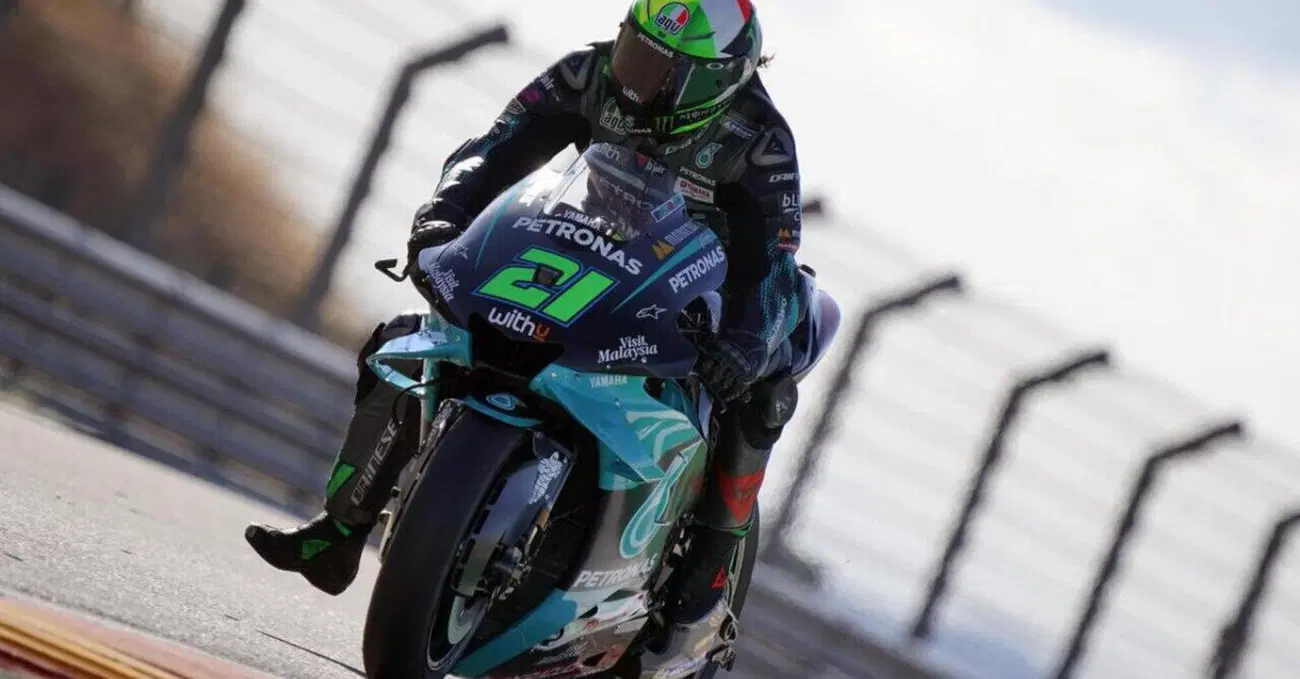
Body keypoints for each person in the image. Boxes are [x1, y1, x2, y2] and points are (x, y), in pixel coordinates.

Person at [246, 0, 808, 633]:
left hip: (702, 290)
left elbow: (774, 261)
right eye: (635, 50)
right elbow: (497, 149)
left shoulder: (761, 141)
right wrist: (444, 216)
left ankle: (708, 566)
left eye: (660, 70)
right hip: (584, 242)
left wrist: (745, 342)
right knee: (414, 341)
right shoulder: (585, 73)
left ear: (710, 80)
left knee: (764, 387)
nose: (632, 78)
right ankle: (340, 531)